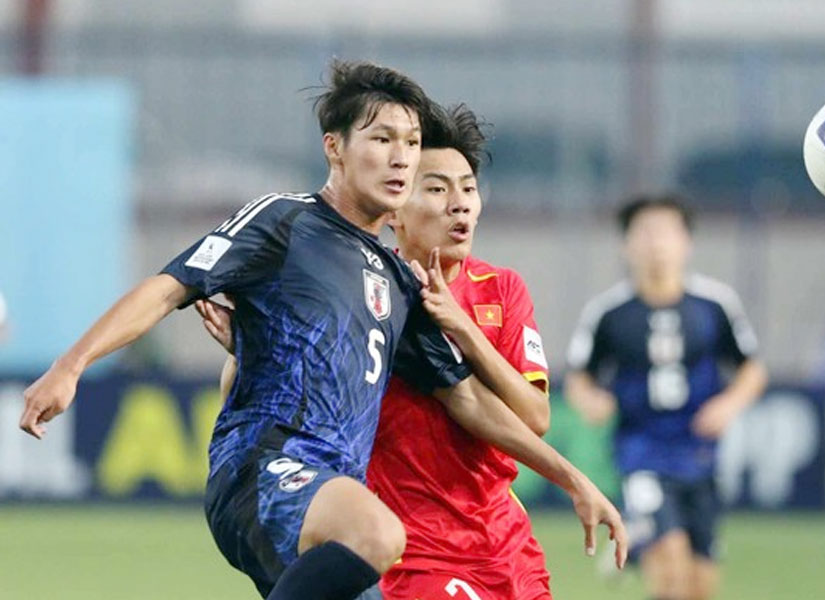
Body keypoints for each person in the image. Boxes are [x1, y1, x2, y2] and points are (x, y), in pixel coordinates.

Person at [21, 61, 624, 600]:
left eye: (412, 142)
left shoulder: (399, 282)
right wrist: (72, 365)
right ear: (334, 148)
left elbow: (466, 400)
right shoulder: (286, 221)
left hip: (333, 496)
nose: (401, 157)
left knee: (371, 545)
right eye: (382, 139)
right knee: (380, 532)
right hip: (267, 467)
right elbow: (170, 286)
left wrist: (574, 480)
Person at [199, 103, 564, 599]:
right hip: (414, 544)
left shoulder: (501, 289)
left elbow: (533, 416)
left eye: (468, 189)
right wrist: (251, 348)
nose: (459, 204)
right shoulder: (366, 290)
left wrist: (463, 328)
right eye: (436, 189)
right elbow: (248, 392)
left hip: (501, 538)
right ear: (395, 210)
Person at [564, 195, 768, 600]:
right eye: (645, 232)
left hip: (701, 457)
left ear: (686, 242)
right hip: (641, 454)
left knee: (699, 585)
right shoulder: (609, 312)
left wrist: (727, 405)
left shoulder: (715, 304)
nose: (656, 242)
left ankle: (639, 540)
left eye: (666, 232)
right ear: (626, 244)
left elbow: (751, 369)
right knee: (671, 568)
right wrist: (591, 401)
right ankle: (646, 536)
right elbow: (578, 376)